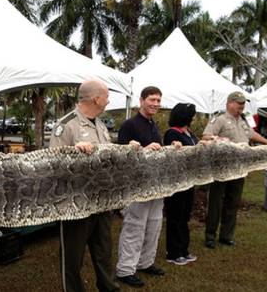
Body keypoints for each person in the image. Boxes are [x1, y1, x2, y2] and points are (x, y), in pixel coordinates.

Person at [50, 79, 120, 292]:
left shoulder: (99, 124)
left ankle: (108, 288)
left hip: (101, 201)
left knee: (104, 251)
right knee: (72, 257)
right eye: (107, 96)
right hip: (76, 205)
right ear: (96, 98)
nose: (108, 101)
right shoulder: (66, 125)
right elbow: (53, 165)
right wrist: (73, 153)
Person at [115, 86, 176, 288]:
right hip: (137, 187)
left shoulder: (153, 125)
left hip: (156, 185)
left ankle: (145, 262)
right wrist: (143, 150)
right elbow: (122, 157)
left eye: (158, 100)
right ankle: (125, 269)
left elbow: (156, 154)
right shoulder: (129, 125)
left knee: (154, 225)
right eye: (152, 99)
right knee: (134, 227)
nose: (156, 104)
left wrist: (170, 148)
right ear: (141, 100)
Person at [202, 91, 267, 248]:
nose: (242, 107)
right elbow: (205, 136)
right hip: (222, 169)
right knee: (216, 203)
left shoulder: (243, 121)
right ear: (230, 103)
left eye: (243, 104)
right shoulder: (219, 119)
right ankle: (210, 235)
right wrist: (216, 139)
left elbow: (251, 134)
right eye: (239, 104)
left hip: (239, 168)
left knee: (233, 202)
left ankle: (226, 235)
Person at [163, 103, 198, 266]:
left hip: (189, 180)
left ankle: (183, 249)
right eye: (192, 115)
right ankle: (173, 252)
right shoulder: (172, 133)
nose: (194, 117)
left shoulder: (189, 133)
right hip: (176, 182)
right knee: (175, 217)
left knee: (184, 216)